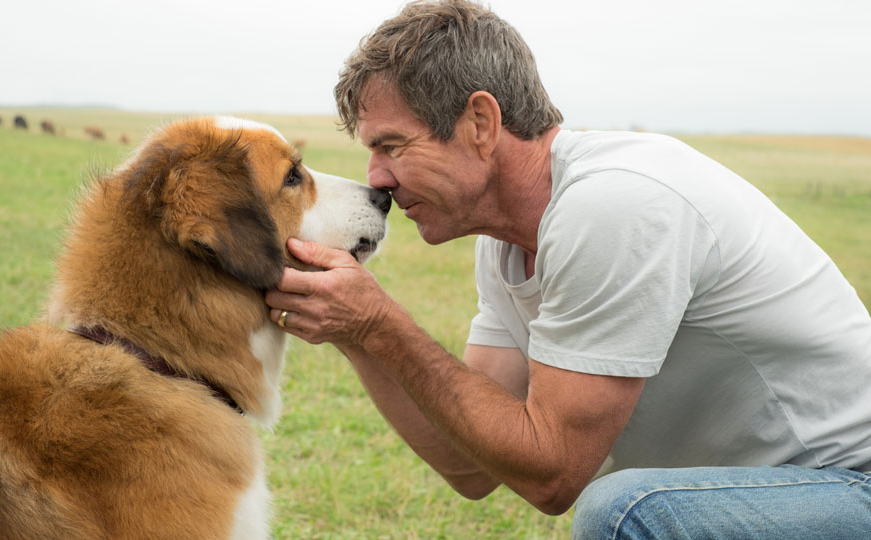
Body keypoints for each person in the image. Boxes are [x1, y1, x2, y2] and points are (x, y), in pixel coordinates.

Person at [264, 1, 871, 537]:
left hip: (850, 487)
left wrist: (379, 324)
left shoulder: (613, 204)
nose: (376, 178)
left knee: (629, 512)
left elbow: (552, 475)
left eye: (392, 146)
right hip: (767, 501)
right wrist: (354, 333)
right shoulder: (505, 242)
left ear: (480, 123)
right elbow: (472, 466)